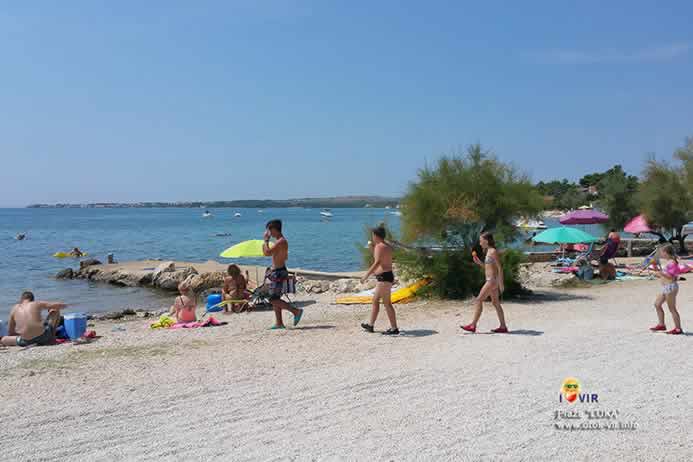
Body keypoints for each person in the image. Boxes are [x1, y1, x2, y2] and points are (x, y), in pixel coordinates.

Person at [461, 232, 509, 334]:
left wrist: (501, 283)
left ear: (486, 241)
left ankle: (473, 325)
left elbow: (500, 268)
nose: (480, 243)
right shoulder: (488, 251)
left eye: (481, 240)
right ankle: (503, 326)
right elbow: (489, 268)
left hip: (491, 281)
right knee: (495, 303)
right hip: (492, 280)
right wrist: (479, 263)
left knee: (478, 300)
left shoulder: (492, 251)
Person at [262, 219, 303, 329]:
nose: (269, 234)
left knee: (272, 299)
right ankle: (279, 322)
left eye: (270, 231)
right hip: (279, 270)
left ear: (275, 229)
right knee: (276, 297)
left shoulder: (281, 241)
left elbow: (267, 253)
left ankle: (296, 311)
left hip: (279, 272)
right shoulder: (281, 242)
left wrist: (265, 241)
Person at [360, 226, 399, 335]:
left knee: (386, 303)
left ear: (376, 236)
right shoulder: (386, 246)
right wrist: (373, 248)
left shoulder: (379, 246)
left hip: (383, 278)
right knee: (376, 301)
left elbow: (377, 262)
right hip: (387, 276)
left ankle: (394, 328)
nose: (372, 237)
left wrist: (366, 276)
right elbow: (381, 258)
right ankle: (370, 325)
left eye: (373, 235)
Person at [0, 291, 65, 347]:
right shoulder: (36, 303)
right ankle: (52, 338)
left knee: (4, 339)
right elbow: (59, 305)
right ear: (32, 300)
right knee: (55, 310)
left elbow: (10, 333)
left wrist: (23, 333)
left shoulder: (14, 308)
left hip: (26, 341)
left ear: (21, 300)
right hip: (44, 337)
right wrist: (63, 306)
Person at [649, 244, 684, 335]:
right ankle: (661, 325)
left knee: (672, 309)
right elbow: (663, 274)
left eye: (662, 252)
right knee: (657, 304)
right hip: (665, 287)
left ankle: (678, 329)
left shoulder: (672, 263)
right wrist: (655, 267)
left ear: (666, 253)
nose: (661, 254)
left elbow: (671, 278)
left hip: (670, 287)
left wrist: (660, 273)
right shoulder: (669, 262)